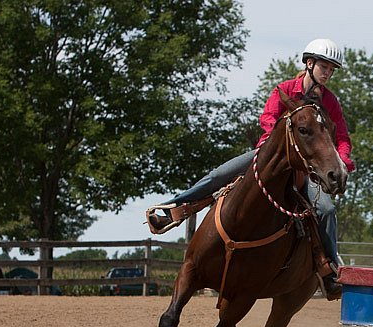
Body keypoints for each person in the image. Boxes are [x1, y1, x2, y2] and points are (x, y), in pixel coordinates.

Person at [146, 38, 354, 298]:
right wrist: (278, 139)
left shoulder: (331, 103)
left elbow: (342, 138)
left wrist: (342, 161)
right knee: (218, 175)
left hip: (306, 166)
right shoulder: (286, 89)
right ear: (309, 64)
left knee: (326, 209)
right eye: (324, 66)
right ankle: (173, 210)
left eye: (331, 69)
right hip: (271, 156)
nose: (327, 73)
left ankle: (331, 268)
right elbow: (267, 117)